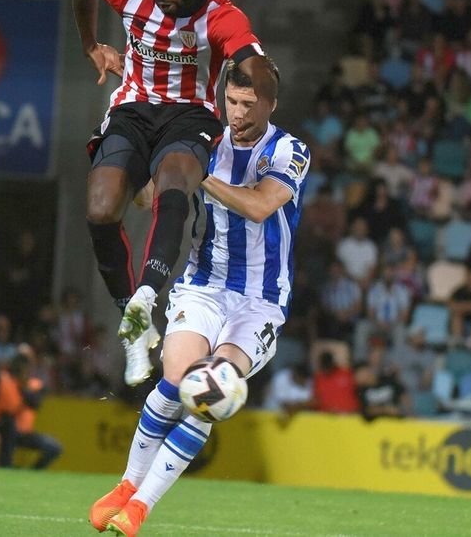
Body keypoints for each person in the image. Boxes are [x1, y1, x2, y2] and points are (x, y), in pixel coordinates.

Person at [88, 57, 308, 536]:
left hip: (261, 299)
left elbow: (259, 205)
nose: (237, 113)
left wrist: (189, 170)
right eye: (231, 101)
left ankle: (141, 507)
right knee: (174, 380)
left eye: (249, 104)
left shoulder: (289, 150)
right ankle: (126, 487)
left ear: (271, 103)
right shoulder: (204, 139)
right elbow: (148, 200)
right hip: (204, 283)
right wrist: (150, 170)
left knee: (211, 390)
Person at [73, 0, 275, 386]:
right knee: (101, 212)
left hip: (191, 116)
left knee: (175, 184)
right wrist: (91, 45)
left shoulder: (221, 17)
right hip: (133, 109)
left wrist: (256, 105)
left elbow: (256, 67)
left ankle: (148, 293)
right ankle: (134, 324)